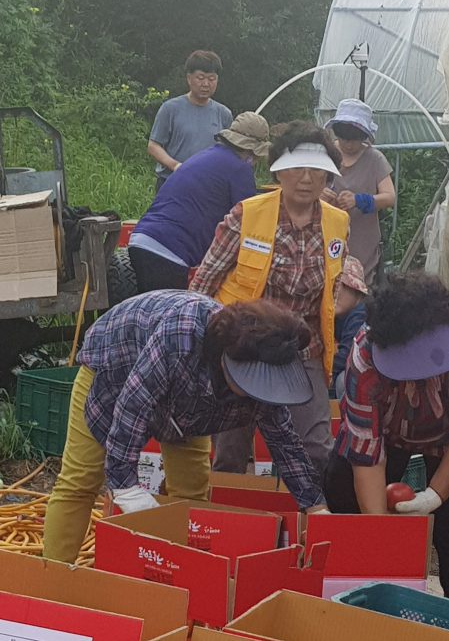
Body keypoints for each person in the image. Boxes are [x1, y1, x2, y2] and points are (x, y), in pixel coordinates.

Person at [42, 290, 329, 564]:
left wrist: (314, 506)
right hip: (117, 370)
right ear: (226, 360)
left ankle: (177, 579)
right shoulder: (181, 335)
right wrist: (125, 485)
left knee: (190, 495)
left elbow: (284, 440)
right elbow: (132, 406)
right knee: (80, 481)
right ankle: (51, 584)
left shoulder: (266, 366)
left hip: (187, 407)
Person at [323, 272, 449, 603]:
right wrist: (381, 534)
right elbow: (367, 454)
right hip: (391, 434)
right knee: (341, 486)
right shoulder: (365, 358)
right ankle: (357, 588)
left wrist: (435, 494)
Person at [190, 120, 349, 478]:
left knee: (314, 447)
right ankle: (229, 522)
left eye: (316, 170)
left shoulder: (338, 223)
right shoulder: (246, 215)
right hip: (242, 344)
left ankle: (305, 520)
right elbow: (203, 283)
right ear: (279, 172)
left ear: (328, 176)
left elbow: (334, 288)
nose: (306, 178)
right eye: (296, 169)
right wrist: (198, 344)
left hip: (302, 347)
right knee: (231, 450)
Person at [129, 112, 270, 292]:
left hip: (143, 239)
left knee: (151, 314)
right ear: (251, 151)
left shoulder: (206, 155)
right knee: (168, 317)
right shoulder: (239, 168)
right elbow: (250, 219)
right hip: (169, 250)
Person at [322, 99, 395, 284]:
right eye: (344, 137)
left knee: (357, 289)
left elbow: (389, 198)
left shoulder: (375, 159)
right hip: (326, 238)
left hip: (362, 243)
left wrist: (360, 200)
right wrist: (319, 193)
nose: (348, 144)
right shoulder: (325, 155)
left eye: (355, 139)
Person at [148, 50, 232, 193]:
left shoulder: (223, 113)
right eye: (200, 78)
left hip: (208, 186)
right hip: (172, 182)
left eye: (211, 79)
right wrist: (176, 166)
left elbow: (228, 152)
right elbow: (153, 146)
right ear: (189, 78)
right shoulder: (170, 109)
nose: (206, 84)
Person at [330, 256, 367, 400]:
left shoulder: (361, 314)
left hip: (373, 377)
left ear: (355, 290)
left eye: (338, 285)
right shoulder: (340, 317)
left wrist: (321, 375)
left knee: (343, 381)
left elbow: (348, 354)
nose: (332, 293)